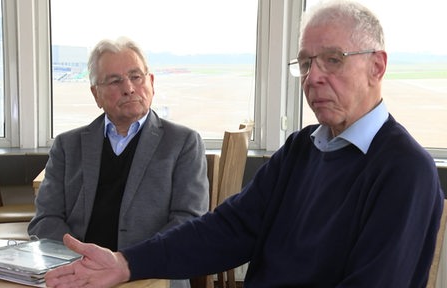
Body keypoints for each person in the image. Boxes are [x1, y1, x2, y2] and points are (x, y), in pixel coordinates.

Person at [45, 1, 445, 287]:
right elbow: (227, 229)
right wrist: (127, 263)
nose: (314, 77)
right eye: (306, 63)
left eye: (333, 60)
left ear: (377, 66)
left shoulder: (404, 170)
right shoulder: (301, 149)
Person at [28, 37, 209, 288]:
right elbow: (45, 219)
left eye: (136, 77)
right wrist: (83, 262)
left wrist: (128, 263)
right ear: (96, 94)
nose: (129, 88)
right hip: (79, 273)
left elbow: (189, 222)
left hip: (151, 274)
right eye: (115, 81)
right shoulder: (67, 146)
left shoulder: (183, 142)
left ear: (151, 83)